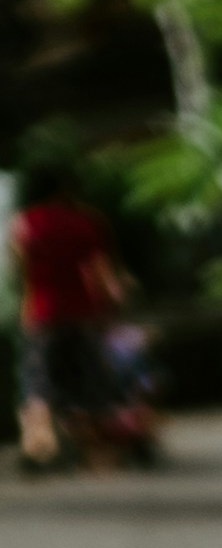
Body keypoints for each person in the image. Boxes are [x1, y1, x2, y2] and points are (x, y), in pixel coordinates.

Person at [17, 180, 120, 468]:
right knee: (88, 381)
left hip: (43, 313)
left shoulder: (27, 222)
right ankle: (97, 454)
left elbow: (23, 271)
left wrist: (27, 308)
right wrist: (109, 305)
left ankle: (38, 446)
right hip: (82, 313)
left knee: (39, 382)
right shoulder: (86, 221)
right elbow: (99, 269)